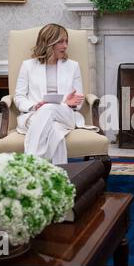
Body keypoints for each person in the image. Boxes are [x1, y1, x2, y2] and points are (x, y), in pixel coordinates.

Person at [14, 23, 85, 165]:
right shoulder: (28, 66)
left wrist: (68, 103)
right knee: (55, 133)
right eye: (61, 41)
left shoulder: (73, 66)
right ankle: (60, 177)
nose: (65, 46)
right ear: (48, 42)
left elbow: (79, 99)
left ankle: (31, 164)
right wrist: (35, 106)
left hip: (65, 114)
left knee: (49, 108)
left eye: (66, 41)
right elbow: (19, 97)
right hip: (35, 115)